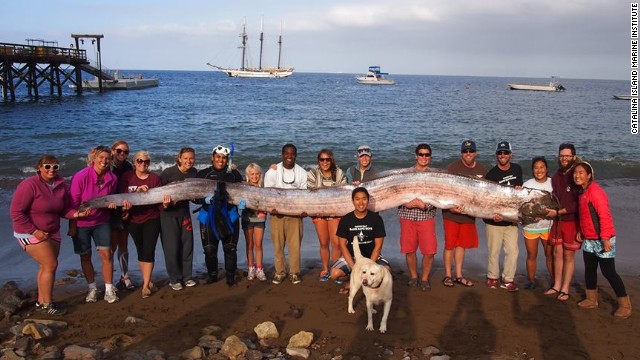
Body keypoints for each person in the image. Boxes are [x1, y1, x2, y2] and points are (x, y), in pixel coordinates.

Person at [10, 155, 89, 315]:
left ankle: (41, 301)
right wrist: (34, 231)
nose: (51, 170)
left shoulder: (60, 185)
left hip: (52, 231)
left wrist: (77, 215)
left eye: (55, 167)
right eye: (47, 166)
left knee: (46, 266)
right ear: (39, 168)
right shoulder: (29, 185)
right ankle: (47, 304)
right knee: (50, 265)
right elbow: (16, 213)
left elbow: (63, 210)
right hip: (29, 232)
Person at [574, 162, 632, 319]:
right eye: (575, 173)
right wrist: (581, 230)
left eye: (581, 173)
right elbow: (585, 216)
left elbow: (604, 216)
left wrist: (605, 238)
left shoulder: (596, 192)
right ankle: (591, 299)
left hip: (604, 239)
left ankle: (625, 305)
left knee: (608, 272)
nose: (577, 175)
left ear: (589, 175)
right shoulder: (582, 192)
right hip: (589, 239)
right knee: (589, 269)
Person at [69, 145, 120, 304]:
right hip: (82, 222)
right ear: (94, 159)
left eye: (107, 158)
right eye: (101, 158)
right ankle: (92, 288)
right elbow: (73, 204)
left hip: (101, 221)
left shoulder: (112, 178)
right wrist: (72, 225)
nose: (104, 161)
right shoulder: (80, 176)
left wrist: (113, 205)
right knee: (85, 256)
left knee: (107, 254)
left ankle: (109, 290)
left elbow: (111, 199)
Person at [119, 151, 166, 298]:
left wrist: (166, 205)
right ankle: (148, 279)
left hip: (151, 218)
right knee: (141, 251)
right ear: (134, 162)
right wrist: (128, 204)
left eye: (146, 162)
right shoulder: (127, 177)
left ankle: (145, 286)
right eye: (140, 161)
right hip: (133, 219)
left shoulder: (155, 179)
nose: (143, 164)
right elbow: (122, 196)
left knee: (149, 250)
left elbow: (159, 202)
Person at [441, 140, 487, 288]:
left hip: (469, 215)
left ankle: (458, 275)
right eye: (465, 151)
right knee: (450, 245)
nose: (468, 154)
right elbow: (442, 190)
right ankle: (448, 275)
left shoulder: (482, 170)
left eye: (471, 151)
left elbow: (486, 195)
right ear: (461, 153)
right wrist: (450, 208)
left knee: (462, 245)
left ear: (476, 152)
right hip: (451, 214)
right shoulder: (452, 168)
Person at [196, 144, 243, 286]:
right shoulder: (203, 174)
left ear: (227, 159)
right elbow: (192, 196)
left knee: (230, 248)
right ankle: (212, 275)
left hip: (230, 216)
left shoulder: (234, 174)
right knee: (210, 249)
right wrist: (202, 200)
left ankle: (230, 276)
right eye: (218, 157)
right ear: (212, 158)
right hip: (207, 217)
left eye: (223, 158)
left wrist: (242, 203)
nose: (221, 160)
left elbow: (243, 193)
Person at [330, 187, 390, 294]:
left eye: (364, 199)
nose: (361, 202)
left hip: (372, 257)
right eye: (357, 199)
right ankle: (350, 281)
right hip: (352, 257)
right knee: (334, 273)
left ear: (368, 200)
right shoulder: (346, 220)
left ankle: (368, 283)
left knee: (386, 271)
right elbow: (342, 246)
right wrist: (355, 269)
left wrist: (370, 266)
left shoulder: (376, 219)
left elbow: (378, 246)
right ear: (353, 201)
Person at [264, 143, 308, 284]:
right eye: (287, 154)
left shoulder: (302, 172)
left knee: (295, 246)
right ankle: (280, 272)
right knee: (278, 245)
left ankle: (295, 273)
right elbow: (267, 193)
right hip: (277, 215)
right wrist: (272, 208)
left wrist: (303, 210)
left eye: (292, 154)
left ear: (296, 155)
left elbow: (304, 195)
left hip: (295, 215)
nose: (289, 156)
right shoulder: (272, 172)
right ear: (282, 155)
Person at [483, 141, 523, 292]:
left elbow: (518, 195)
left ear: (510, 154)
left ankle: (508, 279)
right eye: (500, 153)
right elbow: (487, 199)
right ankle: (492, 277)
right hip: (494, 220)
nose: (503, 155)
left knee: (512, 251)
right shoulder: (491, 174)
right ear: (496, 155)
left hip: (511, 220)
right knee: (494, 251)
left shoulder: (517, 169)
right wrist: (493, 215)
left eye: (505, 153)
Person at [398, 144, 438, 291]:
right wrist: (405, 203)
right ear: (416, 156)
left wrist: (425, 206)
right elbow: (395, 192)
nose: (424, 157)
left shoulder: (436, 176)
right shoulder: (405, 173)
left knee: (429, 251)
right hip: (407, 216)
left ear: (430, 157)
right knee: (409, 250)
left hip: (426, 216)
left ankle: (425, 278)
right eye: (421, 154)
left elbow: (439, 196)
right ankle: (414, 276)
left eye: (427, 155)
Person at [544, 143, 581, 302]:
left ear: (573, 156)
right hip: (558, 221)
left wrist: (558, 212)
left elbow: (576, 204)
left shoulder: (577, 174)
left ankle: (565, 288)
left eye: (567, 155)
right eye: (561, 155)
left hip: (571, 221)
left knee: (568, 255)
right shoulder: (557, 176)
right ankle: (556, 285)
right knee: (556, 253)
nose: (564, 158)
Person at [160, 147, 198, 290]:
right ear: (179, 158)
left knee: (187, 246)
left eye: (191, 158)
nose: (189, 161)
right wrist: (165, 204)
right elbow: (157, 193)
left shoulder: (194, 173)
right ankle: (174, 279)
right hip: (168, 215)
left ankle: (187, 277)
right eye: (186, 158)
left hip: (184, 214)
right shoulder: (168, 173)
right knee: (172, 248)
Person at [307, 149, 347, 281]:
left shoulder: (339, 173)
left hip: (335, 212)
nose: (325, 162)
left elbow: (344, 192)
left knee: (336, 243)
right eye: (322, 160)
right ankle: (325, 269)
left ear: (332, 160)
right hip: (319, 212)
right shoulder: (313, 173)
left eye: (327, 159)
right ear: (318, 161)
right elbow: (310, 193)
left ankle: (336, 269)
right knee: (324, 243)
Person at [521, 157, 554, 289]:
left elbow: (558, 204)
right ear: (532, 170)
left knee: (550, 255)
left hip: (548, 227)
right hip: (531, 227)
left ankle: (554, 281)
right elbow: (522, 206)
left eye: (542, 167)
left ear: (546, 169)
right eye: (536, 168)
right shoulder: (527, 184)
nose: (539, 170)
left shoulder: (553, 184)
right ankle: (531, 280)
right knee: (531, 255)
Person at [110, 140, 136, 291]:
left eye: (125, 152)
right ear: (113, 151)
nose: (122, 154)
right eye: (119, 151)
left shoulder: (128, 167)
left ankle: (124, 276)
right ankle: (110, 280)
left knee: (123, 244)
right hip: (109, 209)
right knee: (111, 246)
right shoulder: (107, 165)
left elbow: (131, 186)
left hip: (124, 207)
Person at [242, 163, 268, 281]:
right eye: (252, 174)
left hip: (260, 218)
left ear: (260, 174)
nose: (254, 176)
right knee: (250, 245)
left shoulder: (264, 187)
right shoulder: (244, 186)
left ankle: (259, 269)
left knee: (258, 244)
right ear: (248, 175)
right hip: (247, 218)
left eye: (257, 174)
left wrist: (273, 166)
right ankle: (251, 268)